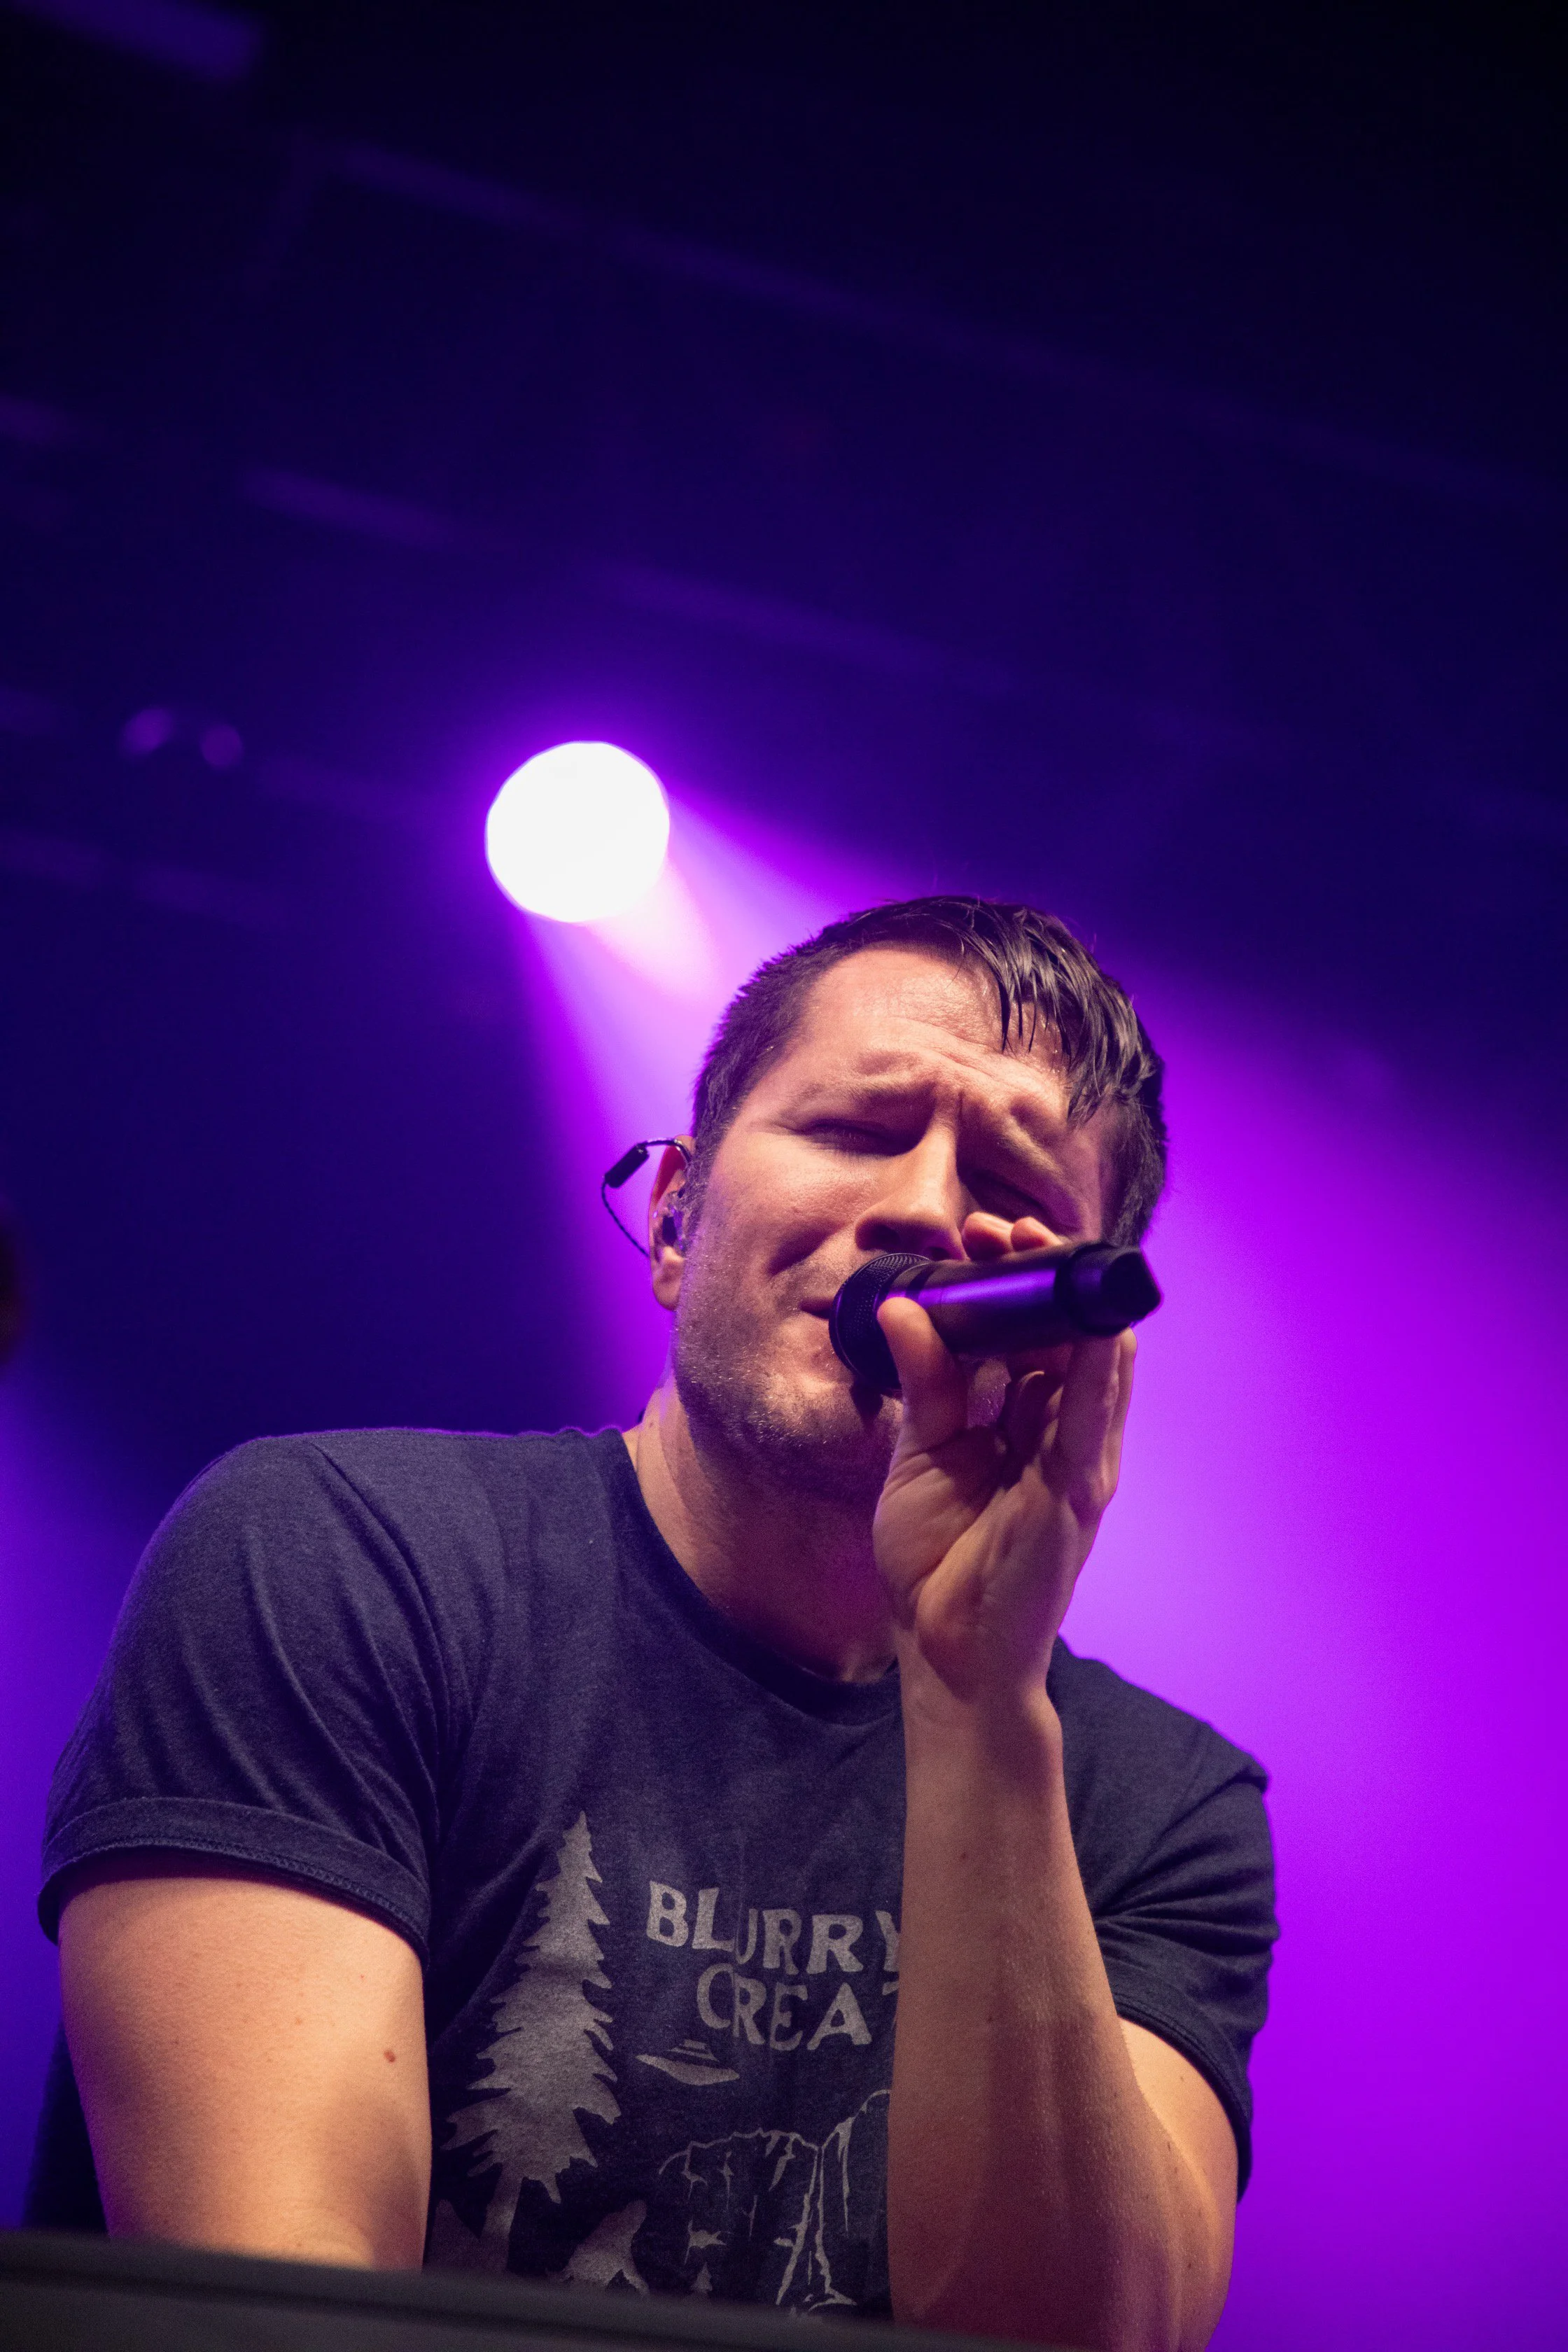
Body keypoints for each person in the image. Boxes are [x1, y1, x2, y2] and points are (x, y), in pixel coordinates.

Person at [33, 897, 1276, 2352]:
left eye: (1006, 1184)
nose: (926, 1213)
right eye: (858, 1130)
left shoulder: (1158, 1803)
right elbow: (273, 2308)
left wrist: (976, 1696)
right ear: (678, 1216)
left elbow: (1074, 2339)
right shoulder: (341, 1557)